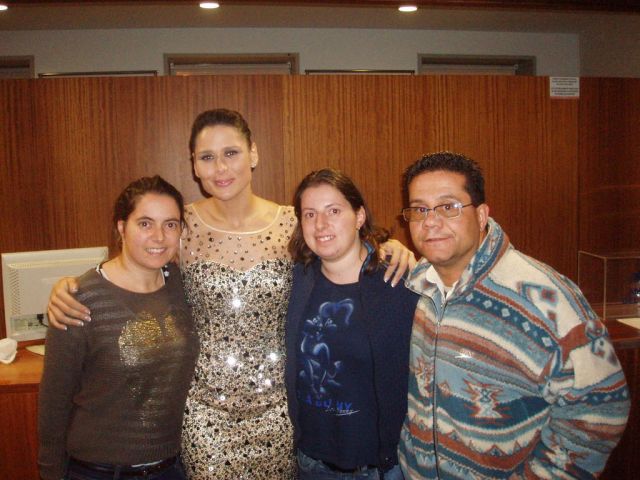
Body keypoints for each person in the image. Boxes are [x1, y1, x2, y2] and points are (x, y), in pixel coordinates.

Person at [46, 109, 415, 479]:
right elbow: (137, 264)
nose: (220, 168)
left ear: (253, 153)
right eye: (207, 157)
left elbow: (340, 249)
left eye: (231, 153)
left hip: (280, 412)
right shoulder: (181, 226)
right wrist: (76, 287)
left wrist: (386, 246)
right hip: (206, 415)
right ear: (194, 165)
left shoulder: (293, 222)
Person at [397, 152, 630, 479]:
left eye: (448, 207)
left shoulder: (545, 298)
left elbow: (603, 409)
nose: (430, 222)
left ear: (481, 215)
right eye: (420, 209)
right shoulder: (422, 285)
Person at [38, 176, 199, 480]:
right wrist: (50, 473)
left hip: (171, 468)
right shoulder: (80, 299)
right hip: (98, 472)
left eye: (170, 224)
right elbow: (54, 403)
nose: (159, 237)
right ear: (122, 227)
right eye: (145, 223)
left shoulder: (183, 285)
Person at [285, 169, 418, 480]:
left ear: (359, 216)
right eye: (310, 214)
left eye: (333, 211)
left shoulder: (399, 282)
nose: (321, 224)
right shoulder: (295, 281)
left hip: (379, 468)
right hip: (311, 463)